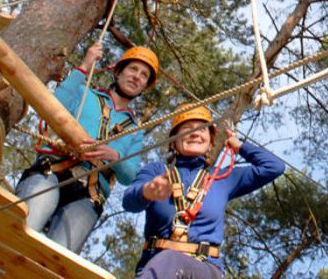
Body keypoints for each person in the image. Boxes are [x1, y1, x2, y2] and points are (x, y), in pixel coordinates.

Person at [15, 41, 155, 253]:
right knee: (26, 227)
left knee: (56, 258)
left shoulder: (135, 130)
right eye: (133, 69)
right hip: (51, 171)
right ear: (117, 73)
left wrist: (114, 156)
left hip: (89, 193)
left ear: (144, 87)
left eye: (144, 75)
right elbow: (52, 105)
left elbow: (130, 175)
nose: (137, 76)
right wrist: (85, 65)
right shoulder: (84, 93)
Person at [123, 106, 285, 278]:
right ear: (173, 141)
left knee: (170, 260)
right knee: (167, 261)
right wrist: (147, 191)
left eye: (202, 130)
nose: (195, 133)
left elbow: (274, 167)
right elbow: (128, 201)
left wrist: (240, 147)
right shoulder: (157, 171)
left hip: (205, 269)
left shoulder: (222, 178)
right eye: (187, 129)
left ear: (210, 141)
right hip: (156, 266)